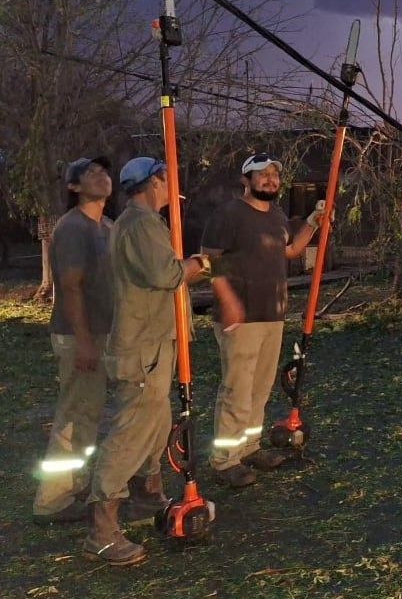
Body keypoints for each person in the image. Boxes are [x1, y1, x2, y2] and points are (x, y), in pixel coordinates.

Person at [83, 156, 239, 566]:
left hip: (153, 343)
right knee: (132, 431)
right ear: (153, 182)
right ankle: (102, 530)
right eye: (167, 178)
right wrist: (203, 264)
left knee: (154, 425)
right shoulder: (140, 224)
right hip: (142, 347)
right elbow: (167, 275)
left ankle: (146, 497)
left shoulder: (143, 223)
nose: (173, 184)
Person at [201, 153, 327, 488]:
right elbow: (210, 260)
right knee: (237, 390)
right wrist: (228, 301)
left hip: (272, 314)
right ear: (246, 180)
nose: (270, 179)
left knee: (260, 388)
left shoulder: (277, 216)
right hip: (240, 318)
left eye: (274, 174)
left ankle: (250, 447)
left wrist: (314, 222)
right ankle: (225, 460)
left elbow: (290, 251)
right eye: (262, 174)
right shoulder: (229, 214)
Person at [32, 157, 113, 524]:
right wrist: (83, 340)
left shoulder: (107, 226)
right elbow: (70, 287)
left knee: (88, 413)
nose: (102, 177)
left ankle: (75, 483)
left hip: (100, 332)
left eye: (104, 172)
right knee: (75, 413)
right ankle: (52, 500)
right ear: (74, 187)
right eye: (92, 174)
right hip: (78, 333)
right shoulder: (72, 227)